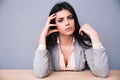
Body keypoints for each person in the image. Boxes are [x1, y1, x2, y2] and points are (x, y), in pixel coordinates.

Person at [33, 1, 109, 78]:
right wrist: (43, 36)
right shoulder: (48, 45)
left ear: (74, 20)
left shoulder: (84, 43)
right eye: (60, 20)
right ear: (54, 24)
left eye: (70, 18)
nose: (67, 23)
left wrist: (94, 35)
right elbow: (40, 73)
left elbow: (102, 73)